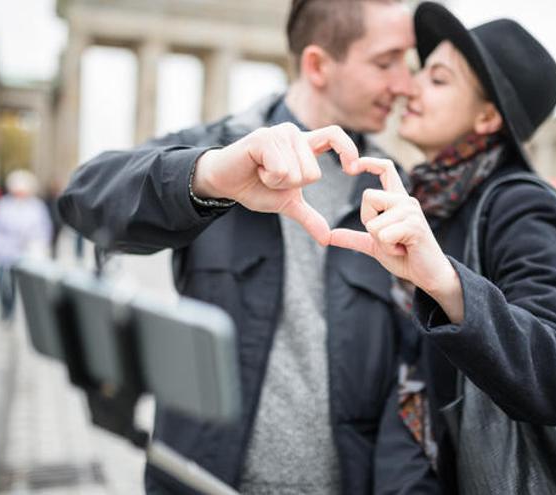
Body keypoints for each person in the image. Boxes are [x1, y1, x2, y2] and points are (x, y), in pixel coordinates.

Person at [58, 0, 440, 493]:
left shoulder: (397, 191)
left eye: (408, 66)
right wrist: (209, 176)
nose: (406, 85)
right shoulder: (217, 150)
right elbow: (82, 198)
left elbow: (410, 383)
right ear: (318, 65)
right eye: (386, 62)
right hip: (202, 480)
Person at [329, 4, 556, 491]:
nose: (409, 87)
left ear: (488, 115)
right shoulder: (434, 197)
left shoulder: (521, 207)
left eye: (439, 79)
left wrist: (446, 284)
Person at [0, 170, 52, 321]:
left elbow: (43, 229)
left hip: (27, 253)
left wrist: (37, 247)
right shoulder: (2, 205)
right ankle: (6, 308)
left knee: (21, 286)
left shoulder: (37, 206)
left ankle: (18, 312)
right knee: (1, 283)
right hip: (4, 252)